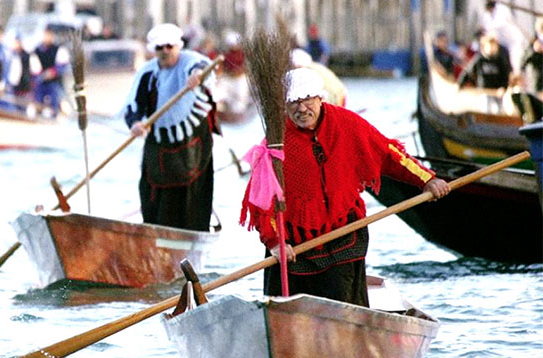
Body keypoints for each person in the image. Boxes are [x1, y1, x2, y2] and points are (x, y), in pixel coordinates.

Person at [240, 67, 450, 307]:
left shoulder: (347, 124)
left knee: (344, 304)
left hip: (343, 236)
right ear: (285, 107)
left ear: (320, 99)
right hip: (292, 247)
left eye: (307, 100)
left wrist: (427, 179)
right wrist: (275, 242)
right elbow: (263, 202)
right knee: (284, 307)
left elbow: (387, 153)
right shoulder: (275, 144)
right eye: (294, 103)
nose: (301, 108)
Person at [123, 23, 219, 231]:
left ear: (177, 46)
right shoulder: (148, 73)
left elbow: (203, 69)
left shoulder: (191, 62)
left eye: (169, 46)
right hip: (159, 145)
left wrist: (197, 77)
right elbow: (134, 105)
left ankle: (193, 234)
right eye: (160, 48)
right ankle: (153, 235)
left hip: (192, 145)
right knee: (154, 197)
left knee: (192, 199)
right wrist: (135, 123)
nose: (165, 51)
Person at [32, 27, 69, 118]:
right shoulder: (37, 50)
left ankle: (55, 113)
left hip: (54, 81)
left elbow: (62, 65)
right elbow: (34, 67)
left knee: (57, 98)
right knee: (38, 99)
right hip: (40, 82)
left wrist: (53, 72)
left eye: (49, 35)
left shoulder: (58, 49)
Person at [481, 1, 526, 75]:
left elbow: (499, 25)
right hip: (498, 43)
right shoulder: (486, 16)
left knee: (515, 63)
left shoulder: (502, 9)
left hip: (511, 41)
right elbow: (487, 29)